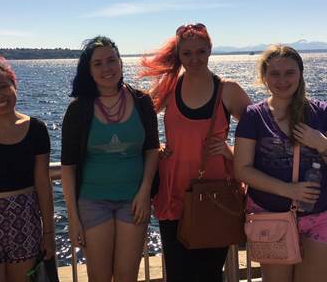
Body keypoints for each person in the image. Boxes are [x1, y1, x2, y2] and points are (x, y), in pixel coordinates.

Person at [140, 23, 250, 282]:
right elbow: (138, 118)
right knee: (178, 274)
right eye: (187, 53)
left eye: (200, 51)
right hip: (173, 192)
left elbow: (261, 132)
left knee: (209, 273)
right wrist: (156, 148)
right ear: (179, 55)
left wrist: (230, 149)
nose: (194, 59)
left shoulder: (228, 90)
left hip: (214, 195)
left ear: (210, 50)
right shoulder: (169, 88)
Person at [61, 36, 159, 282]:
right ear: (89, 71)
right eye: (98, 63)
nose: (107, 68)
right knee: (99, 276)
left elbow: (151, 150)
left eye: (111, 60)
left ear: (121, 63)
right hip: (93, 201)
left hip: (133, 200)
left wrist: (145, 191)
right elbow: (68, 168)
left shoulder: (142, 102)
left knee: (127, 276)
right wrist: (73, 219)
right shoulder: (79, 109)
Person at [234, 45, 327, 282]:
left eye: (290, 72)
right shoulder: (254, 115)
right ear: (264, 77)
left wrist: (321, 143)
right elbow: (242, 169)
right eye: (275, 73)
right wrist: (287, 190)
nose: (282, 80)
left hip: (319, 216)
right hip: (271, 216)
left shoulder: (321, 112)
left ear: (301, 73)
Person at [0, 57, 55, 282]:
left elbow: (43, 185)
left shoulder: (37, 129)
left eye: (4, 86)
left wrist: (48, 234)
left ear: (15, 86)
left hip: (25, 223)